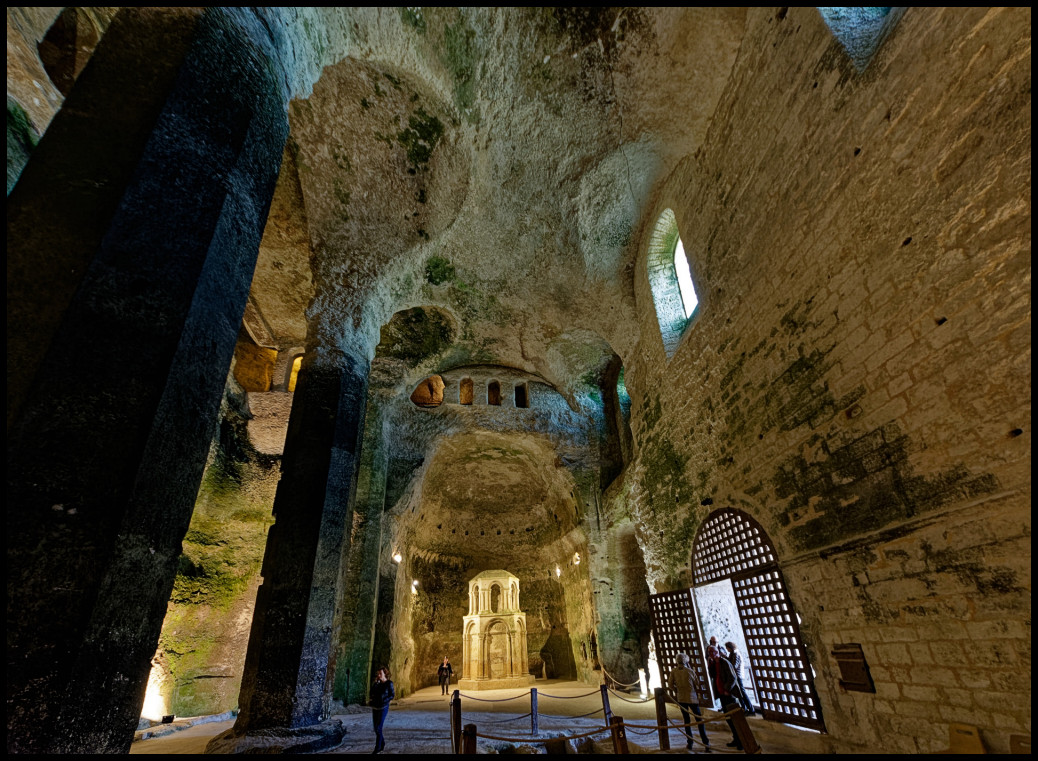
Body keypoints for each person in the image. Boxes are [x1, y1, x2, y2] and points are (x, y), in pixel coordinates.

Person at [669, 652, 710, 751]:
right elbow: (697, 683)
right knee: (699, 720)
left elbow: (670, 684)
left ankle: (690, 743)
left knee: (686, 721)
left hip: (681, 698)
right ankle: (706, 743)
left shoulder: (674, 671)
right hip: (692, 698)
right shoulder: (690, 671)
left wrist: (676, 690)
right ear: (686, 660)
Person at [715, 655, 745, 750]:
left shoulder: (724, 662)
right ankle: (736, 739)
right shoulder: (714, 663)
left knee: (734, 719)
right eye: (709, 652)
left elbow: (732, 677)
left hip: (728, 694)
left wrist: (727, 689)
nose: (711, 654)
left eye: (713, 651)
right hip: (722, 695)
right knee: (729, 719)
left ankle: (741, 741)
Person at [724, 641, 756, 715]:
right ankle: (745, 709)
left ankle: (751, 710)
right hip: (735, 676)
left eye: (727, 647)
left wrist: (725, 658)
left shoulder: (736, 654)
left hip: (738, 676)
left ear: (730, 647)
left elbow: (734, 666)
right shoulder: (732, 654)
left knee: (742, 693)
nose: (727, 649)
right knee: (739, 694)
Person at [370, 666, 395, 754]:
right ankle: (382, 743)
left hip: (383, 707)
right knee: (376, 728)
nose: (379, 675)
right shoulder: (377, 683)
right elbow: (372, 692)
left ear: (385, 674)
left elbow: (392, 695)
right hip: (375, 707)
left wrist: (385, 700)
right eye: (378, 674)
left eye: (380, 673)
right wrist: (376, 683)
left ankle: (377, 748)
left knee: (378, 727)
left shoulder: (389, 683)